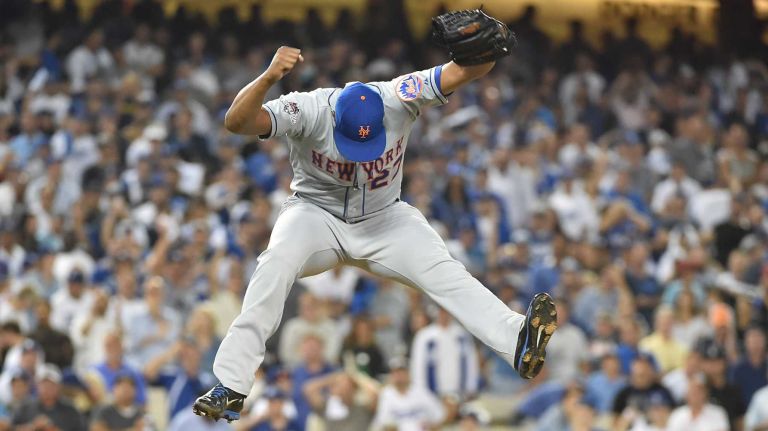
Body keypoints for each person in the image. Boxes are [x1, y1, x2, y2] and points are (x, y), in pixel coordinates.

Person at [193, 23, 558, 422]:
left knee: (444, 270)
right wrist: (267, 79)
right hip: (316, 214)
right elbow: (236, 122)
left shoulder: (400, 97)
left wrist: (488, 52)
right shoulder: (309, 109)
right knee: (274, 264)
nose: (362, 152)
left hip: (385, 218)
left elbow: (463, 71)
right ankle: (231, 385)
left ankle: (516, 340)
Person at [409, 306, 479, 398]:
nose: (444, 315)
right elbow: (418, 365)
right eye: (441, 312)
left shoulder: (461, 335)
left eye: (446, 312)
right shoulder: (424, 336)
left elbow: (471, 362)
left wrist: (471, 387)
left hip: (458, 391)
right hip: (432, 392)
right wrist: (419, 390)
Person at [371, 357, 445, 431]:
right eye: (396, 372)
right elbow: (381, 423)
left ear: (408, 373)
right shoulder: (387, 394)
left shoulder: (421, 391)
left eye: (402, 372)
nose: (399, 376)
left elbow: (440, 416)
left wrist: (432, 426)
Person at [11, 364, 86, 431]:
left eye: (51, 385)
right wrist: (33, 426)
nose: (47, 388)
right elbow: (11, 428)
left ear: (58, 386)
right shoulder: (25, 407)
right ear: (37, 386)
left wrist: (51, 428)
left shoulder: (70, 409)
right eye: (43, 384)